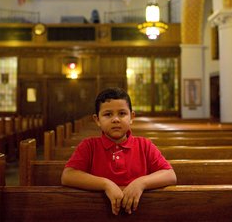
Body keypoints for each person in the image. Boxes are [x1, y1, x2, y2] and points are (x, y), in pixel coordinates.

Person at [61, 87, 177, 215]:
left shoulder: (145, 145)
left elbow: (170, 175)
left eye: (122, 113)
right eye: (108, 114)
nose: (115, 119)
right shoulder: (89, 146)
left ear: (132, 117)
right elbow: (68, 176)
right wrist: (106, 184)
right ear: (97, 120)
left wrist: (141, 183)